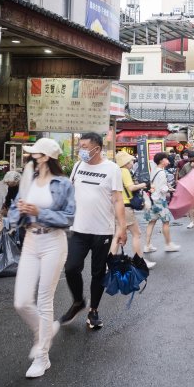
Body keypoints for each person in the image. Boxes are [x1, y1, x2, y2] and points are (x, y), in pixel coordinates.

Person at [7, 137, 75, 378]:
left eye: (34, 154)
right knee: (21, 301)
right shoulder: (29, 180)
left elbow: (68, 218)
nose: (30, 158)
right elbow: (14, 210)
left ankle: (42, 356)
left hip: (53, 242)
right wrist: (17, 214)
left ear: (46, 157)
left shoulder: (63, 184)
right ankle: (46, 330)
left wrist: (39, 212)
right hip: (30, 240)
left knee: (45, 300)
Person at [59, 133, 128, 333]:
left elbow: (117, 199)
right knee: (71, 268)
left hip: (102, 231)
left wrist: (122, 228)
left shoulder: (112, 169)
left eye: (85, 146)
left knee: (98, 273)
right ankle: (78, 301)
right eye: (80, 145)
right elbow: (70, 193)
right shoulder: (78, 166)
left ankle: (93, 311)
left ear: (97, 148)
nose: (81, 149)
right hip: (78, 229)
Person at [115, 151, 153, 269]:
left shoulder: (116, 171)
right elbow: (130, 187)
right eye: (131, 161)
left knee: (117, 235)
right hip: (126, 207)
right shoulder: (125, 171)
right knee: (136, 234)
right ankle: (139, 261)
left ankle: (109, 261)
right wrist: (143, 185)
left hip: (117, 205)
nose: (132, 162)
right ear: (125, 163)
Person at [144, 151, 181, 254]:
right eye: (166, 159)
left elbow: (154, 185)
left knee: (151, 222)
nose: (168, 161)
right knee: (165, 222)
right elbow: (162, 189)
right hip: (160, 201)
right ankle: (168, 244)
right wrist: (170, 189)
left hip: (152, 199)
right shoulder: (162, 172)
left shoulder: (154, 170)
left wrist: (167, 187)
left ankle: (147, 245)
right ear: (161, 161)